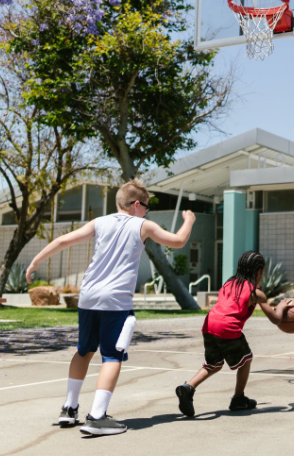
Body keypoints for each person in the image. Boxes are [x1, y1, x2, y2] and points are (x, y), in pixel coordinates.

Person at [25, 179, 196, 436]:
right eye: (146, 207)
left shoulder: (99, 222)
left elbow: (63, 241)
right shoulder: (143, 225)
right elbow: (178, 241)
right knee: (112, 356)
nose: (146, 211)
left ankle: (69, 409)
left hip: (88, 298)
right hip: (116, 302)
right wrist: (189, 220)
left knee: (84, 351)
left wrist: (36, 261)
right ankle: (97, 417)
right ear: (137, 204)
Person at [174, 250, 293, 418]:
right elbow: (275, 319)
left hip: (209, 324)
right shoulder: (256, 292)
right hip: (227, 327)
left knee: (214, 363)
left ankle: (188, 388)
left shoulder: (228, 284)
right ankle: (238, 399)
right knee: (246, 359)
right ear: (259, 272)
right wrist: (280, 307)